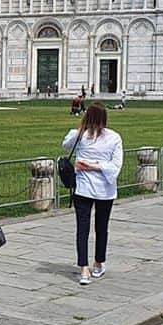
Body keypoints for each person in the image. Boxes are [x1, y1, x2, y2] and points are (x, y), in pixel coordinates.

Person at [62, 103, 123, 286]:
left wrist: (91, 165)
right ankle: (90, 265)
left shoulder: (108, 137)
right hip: (89, 189)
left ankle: (90, 265)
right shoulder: (84, 135)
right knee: (95, 228)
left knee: (90, 229)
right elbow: (115, 166)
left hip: (97, 189)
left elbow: (115, 166)